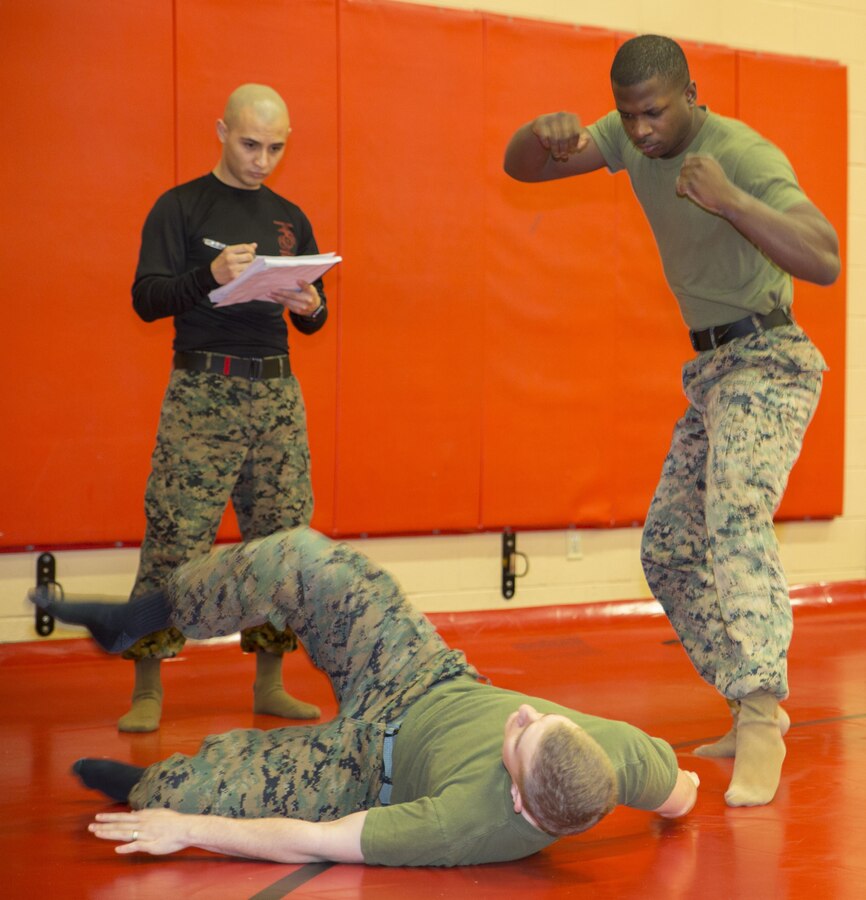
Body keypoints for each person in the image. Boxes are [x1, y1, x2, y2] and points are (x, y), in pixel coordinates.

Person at [504, 35, 840, 808]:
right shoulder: (626, 136)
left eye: (655, 112)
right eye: (630, 115)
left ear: (690, 91)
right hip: (713, 371)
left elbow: (823, 258)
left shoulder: (743, 154)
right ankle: (742, 699)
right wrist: (541, 136)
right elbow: (521, 167)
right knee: (667, 549)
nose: (643, 129)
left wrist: (732, 200)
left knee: (734, 514)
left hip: (771, 358)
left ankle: (762, 718)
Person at [32, 526, 699, 866]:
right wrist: (680, 795)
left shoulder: (460, 826)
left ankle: (147, 784)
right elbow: (681, 794)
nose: (522, 712)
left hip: (366, 773)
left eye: (520, 737)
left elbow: (318, 841)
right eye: (542, 720)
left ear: (519, 801)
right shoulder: (621, 759)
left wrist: (186, 830)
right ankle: (139, 618)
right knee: (304, 558)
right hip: (422, 674)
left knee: (199, 792)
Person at [122, 83, 327, 732]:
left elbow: (313, 316)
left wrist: (313, 308)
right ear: (221, 130)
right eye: (249, 144)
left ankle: (269, 681)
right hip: (203, 391)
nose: (262, 159)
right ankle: (148, 685)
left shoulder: (289, 216)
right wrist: (208, 278)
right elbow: (146, 298)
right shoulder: (180, 207)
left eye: (275, 147)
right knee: (175, 536)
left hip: (275, 392)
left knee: (283, 538)